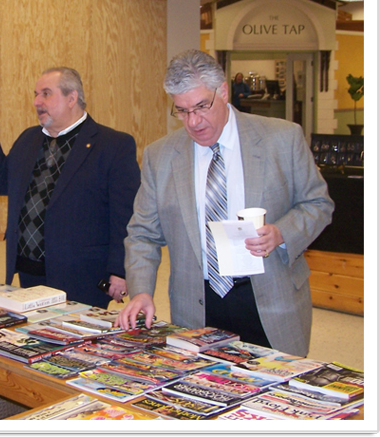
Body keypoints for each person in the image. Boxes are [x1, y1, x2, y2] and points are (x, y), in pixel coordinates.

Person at [116, 50, 333, 357]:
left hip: (271, 297)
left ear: (224, 92)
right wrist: (141, 291)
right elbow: (142, 234)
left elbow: (318, 204)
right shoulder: (160, 156)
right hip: (197, 305)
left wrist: (281, 232)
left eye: (202, 106)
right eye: (182, 111)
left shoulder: (282, 139)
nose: (194, 121)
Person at [0, 67, 140, 308]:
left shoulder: (113, 145)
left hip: (80, 275)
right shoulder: (28, 139)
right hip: (29, 270)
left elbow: (125, 215)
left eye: (46, 94)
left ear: (72, 98)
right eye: (35, 94)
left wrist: (120, 270)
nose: (36, 102)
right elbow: (3, 184)